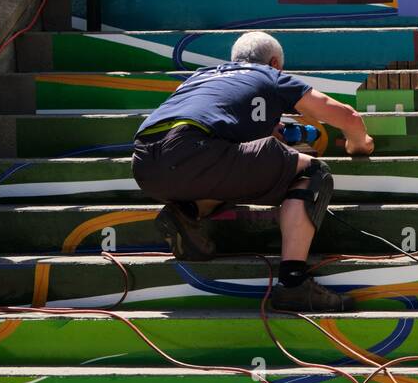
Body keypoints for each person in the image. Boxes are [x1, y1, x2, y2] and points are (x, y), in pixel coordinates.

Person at [130, 31, 375, 312]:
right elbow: (347, 116)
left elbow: (210, 118)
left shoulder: (199, 77)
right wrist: (360, 144)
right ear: (274, 62)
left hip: (146, 162)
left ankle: (186, 212)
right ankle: (294, 283)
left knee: (237, 172)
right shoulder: (269, 75)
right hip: (195, 151)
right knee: (313, 172)